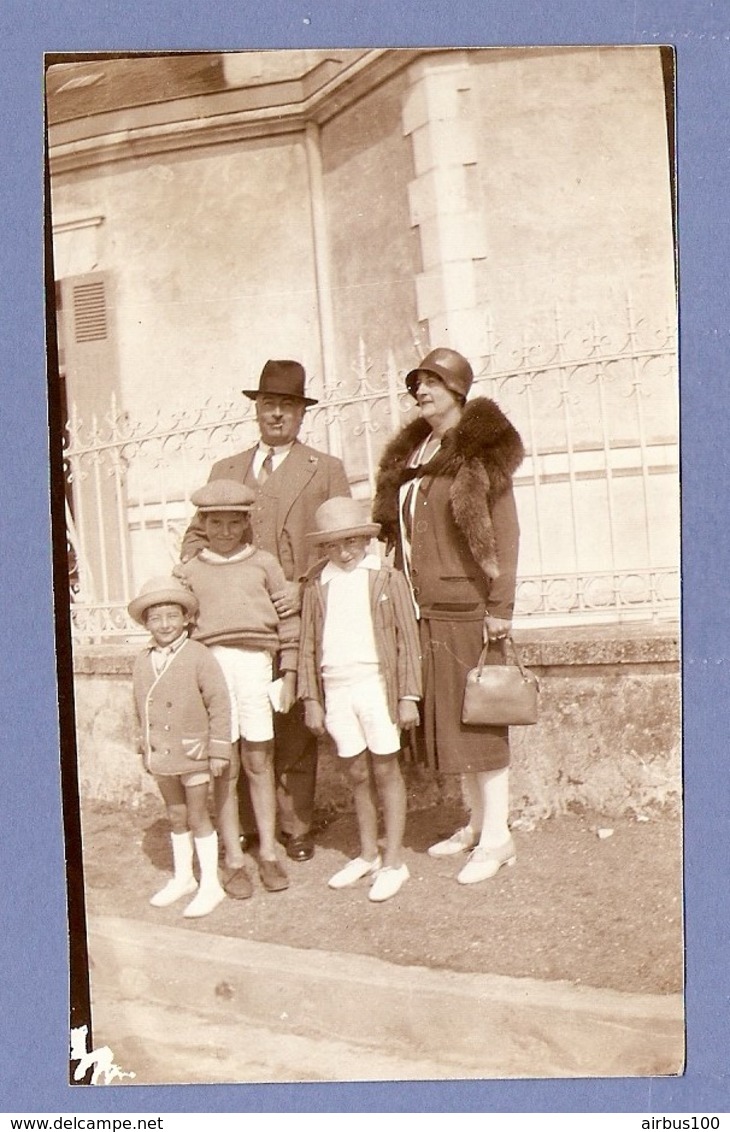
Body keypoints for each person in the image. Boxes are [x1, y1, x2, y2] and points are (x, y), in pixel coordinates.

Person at [180, 359, 351, 862]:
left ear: (302, 415)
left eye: (289, 406)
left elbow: (337, 537)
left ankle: (296, 826)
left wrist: (307, 589)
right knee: (233, 717)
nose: (277, 414)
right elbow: (195, 537)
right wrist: (204, 577)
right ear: (257, 409)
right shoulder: (224, 471)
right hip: (236, 620)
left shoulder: (326, 469)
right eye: (269, 404)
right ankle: (251, 827)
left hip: (297, 608)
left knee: (293, 712)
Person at [372, 347, 524, 885]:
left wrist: (500, 607)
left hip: (467, 608)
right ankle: (477, 823)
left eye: (431, 383)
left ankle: (499, 837)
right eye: (416, 384)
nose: (420, 392)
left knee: (480, 722)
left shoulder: (478, 448)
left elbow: (504, 530)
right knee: (454, 724)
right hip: (425, 608)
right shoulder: (422, 448)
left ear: (458, 389)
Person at [178, 479, 300, 896]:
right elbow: (179, 628)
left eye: (234, 523)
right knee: (223, 765)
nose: (225, 531)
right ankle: (232, 856)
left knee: (259, 761)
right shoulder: (190, 570)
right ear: (203, 524)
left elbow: (288, 621)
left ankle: (267, 852)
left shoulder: (264, 563)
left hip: (255, 666)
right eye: (216, 523)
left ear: (246, 523)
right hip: (211, 669)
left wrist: (290, 671)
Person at [298, 498, 422, 902]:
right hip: (337, 688)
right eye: (334, 545)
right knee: (355, 772)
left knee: (386, 768)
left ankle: (393, 861)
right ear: (324, 548)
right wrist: (311, 698)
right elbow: (307, 646)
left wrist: (408, 695)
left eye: (352, 542)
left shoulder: (386, 579)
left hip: (375, 684)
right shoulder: (317, 584)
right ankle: (368, 853)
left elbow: (407, 640)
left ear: (365, 540)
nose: (345, 552)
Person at [128, 576, 232, 918]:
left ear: (186, 617)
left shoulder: (199, 655)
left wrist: (218, 749)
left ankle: (211, 885)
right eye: (155, 618)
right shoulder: (143, 660)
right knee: (175, 814)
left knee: (199, 814)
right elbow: (140, 706)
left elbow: (219, 703)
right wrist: (145, 746)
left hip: (194, 752)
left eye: (172, 616)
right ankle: (185, 878)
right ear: (146, 623)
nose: (165, 624)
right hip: (163, 753)